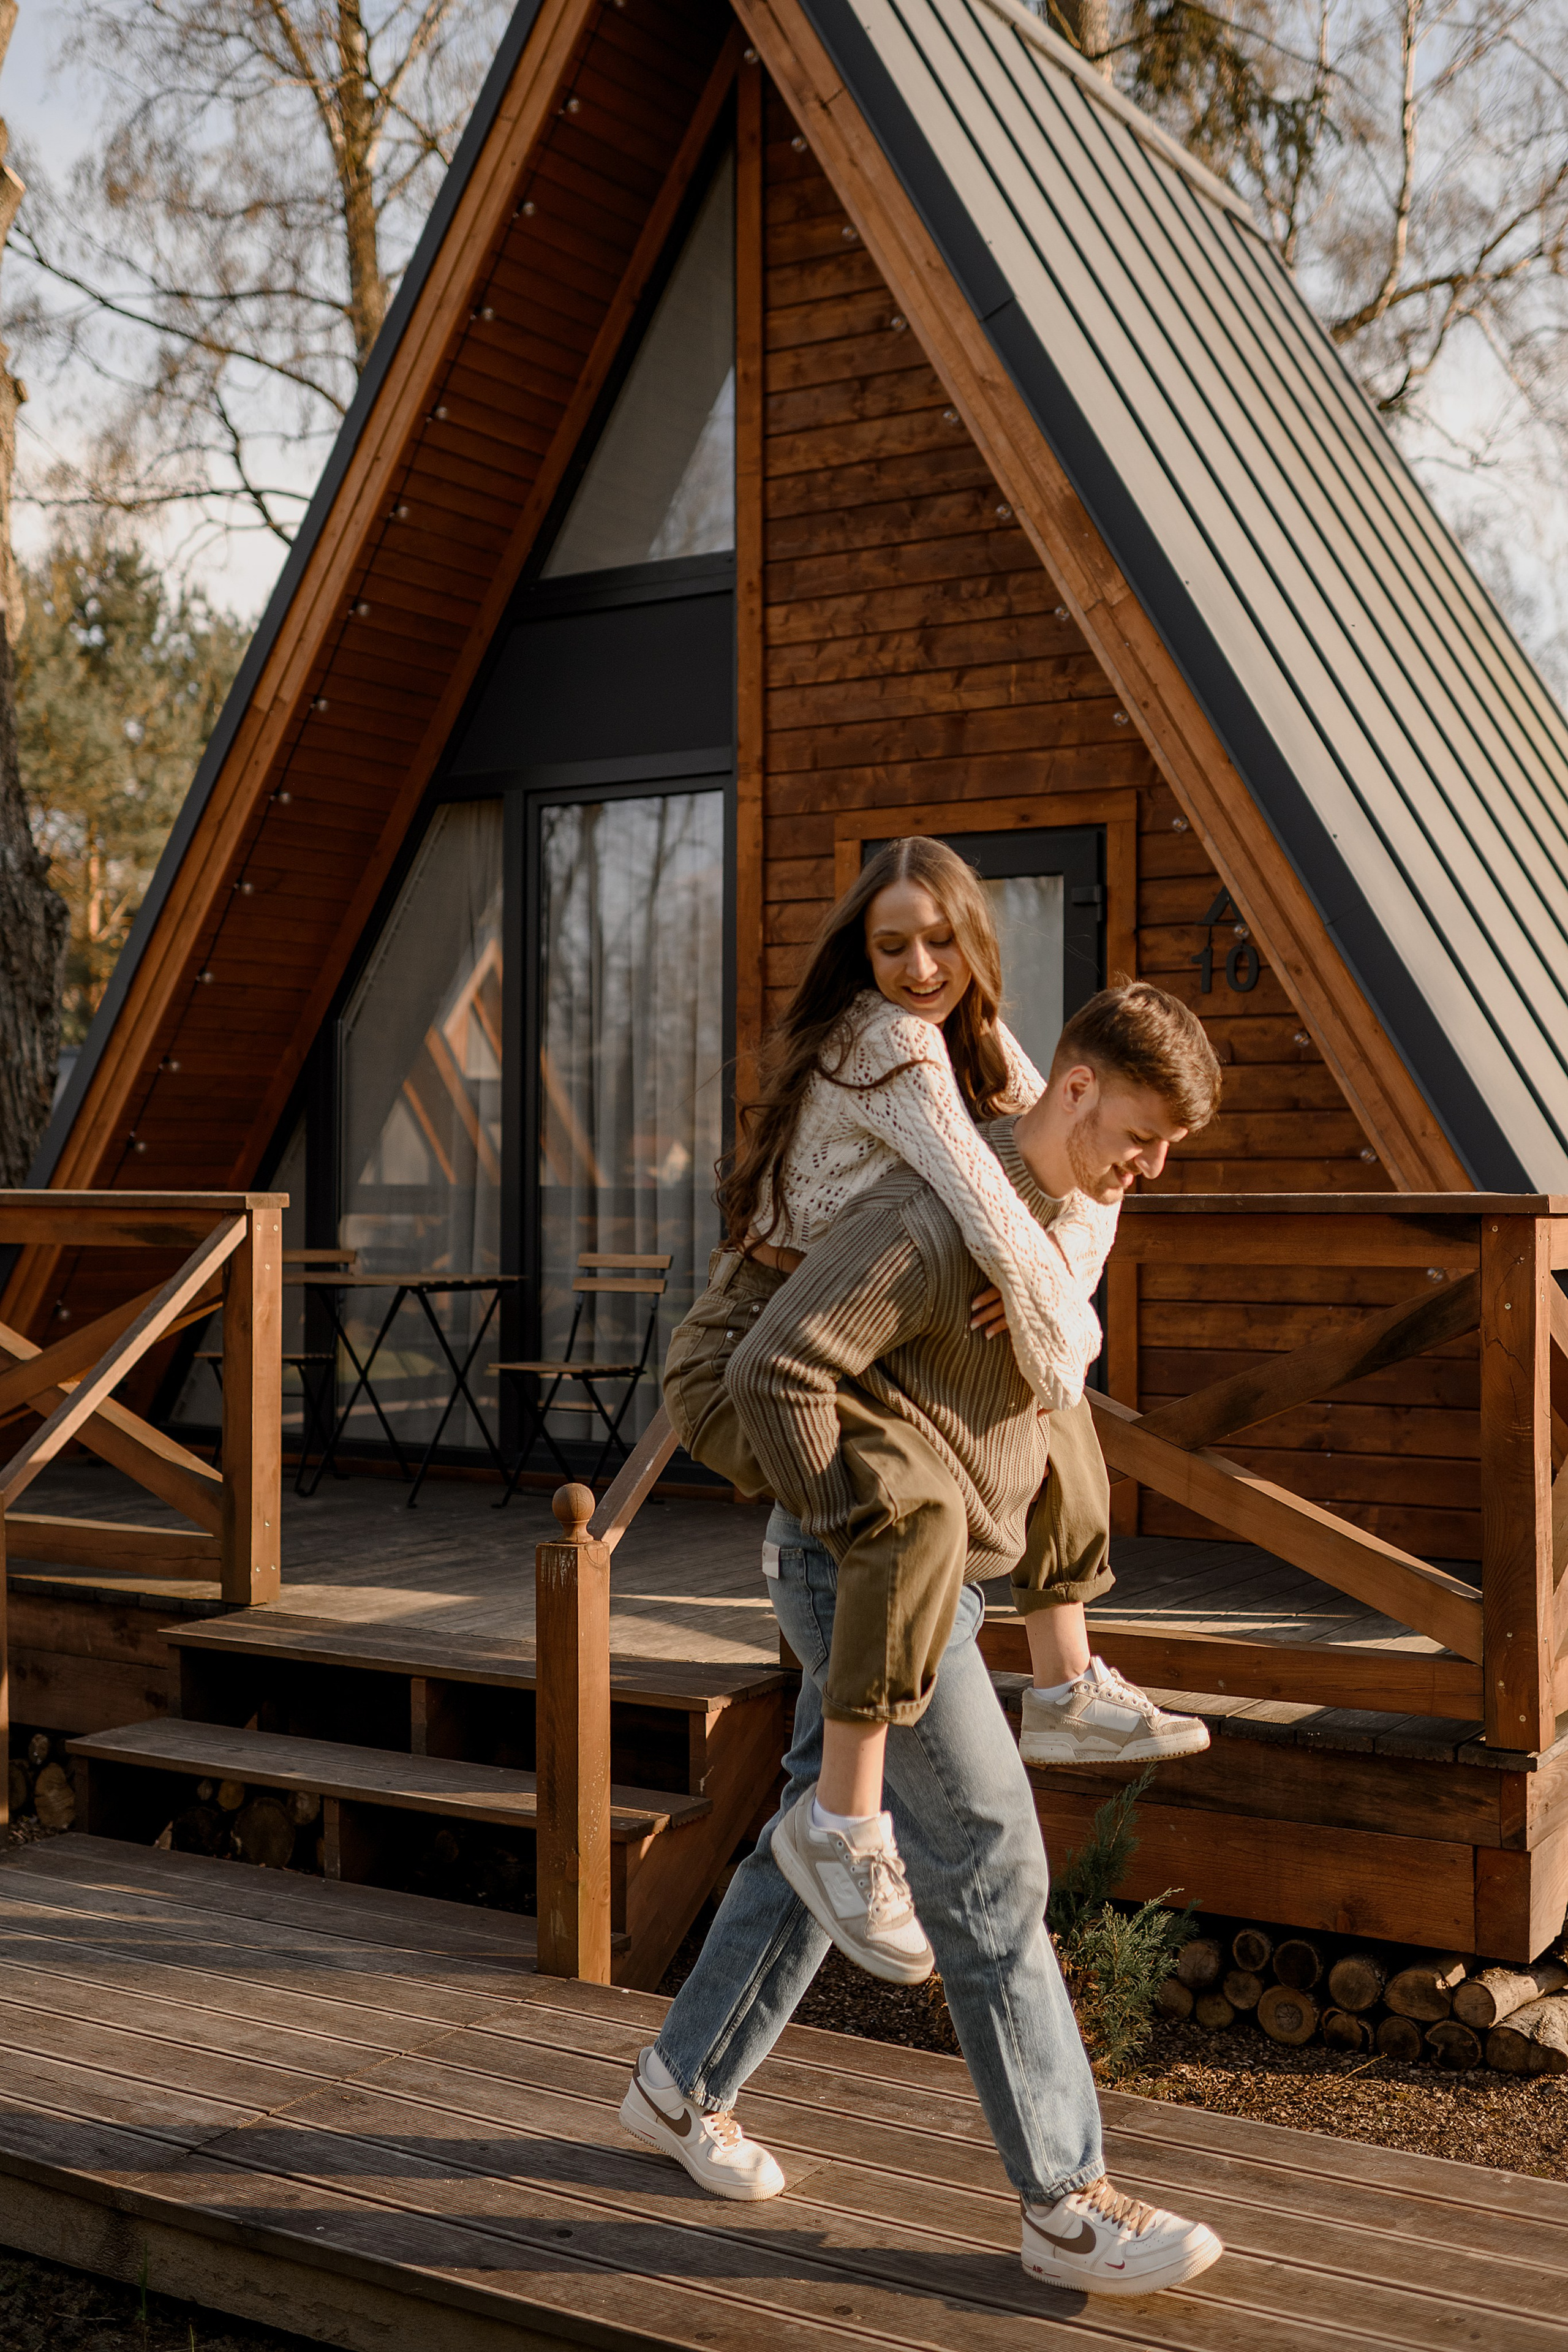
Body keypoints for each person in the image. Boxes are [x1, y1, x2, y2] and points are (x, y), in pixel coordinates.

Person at [620, 978, 1226, 2298]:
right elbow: (772, 1370)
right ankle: (1065, 2203)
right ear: (1070, 1088)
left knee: (814, 1836)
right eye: (1139, 1129)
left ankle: (678, 2087)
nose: (1151, 1163)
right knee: (985, 1858)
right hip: (880, 1568)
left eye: (1170, 1146)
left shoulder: (1058, 1234)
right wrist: (853, 1529)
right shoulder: (934, 1217)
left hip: (929, 1567)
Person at [663, 840, 1208, 1982]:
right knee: (912, 1517)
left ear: (974, 941)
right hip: (748, 1350)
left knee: (1053, 1397)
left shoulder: (989, 1043)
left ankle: (1064, 1683)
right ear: (863, 958)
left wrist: (1053, 1305)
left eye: (939, 939)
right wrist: (1055, 1308)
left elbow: (1068, 1191)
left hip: (857, 1343)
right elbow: (982, 1197)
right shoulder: (896, 1045)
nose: (919, 966)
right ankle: (847, 1832)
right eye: (891, 944)